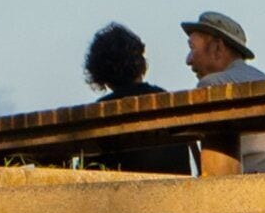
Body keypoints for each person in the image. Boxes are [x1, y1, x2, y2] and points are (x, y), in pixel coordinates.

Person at [180, 11, 265, 173]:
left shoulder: (213, 85)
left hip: (257, 192)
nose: (188, 60)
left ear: (217, 48)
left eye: (192, 48)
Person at [81, 21, 198, 175]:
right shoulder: (166, 100)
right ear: (140, 63)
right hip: (176, 192)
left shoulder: (99, 113)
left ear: (100, 73)